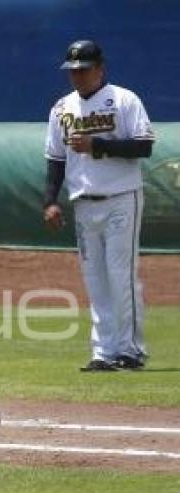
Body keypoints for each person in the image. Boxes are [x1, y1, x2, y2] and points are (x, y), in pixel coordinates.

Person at [43, 40, 155, 372]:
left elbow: (144, 146)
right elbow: (55, 159)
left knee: (120, 275)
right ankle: (104, 352)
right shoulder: (61, 109)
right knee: (95, 279)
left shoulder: (123, 99)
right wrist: (50, 200)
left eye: (84, 69)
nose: (77, 75)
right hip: (83, 203)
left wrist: (99, 145)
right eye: (73, 70)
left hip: (122, 196)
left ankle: (131, 349)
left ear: (100, 68)